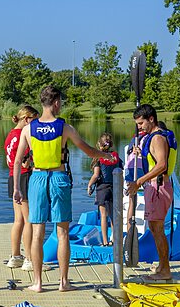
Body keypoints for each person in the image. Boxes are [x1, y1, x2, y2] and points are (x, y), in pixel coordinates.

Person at [12, 85, 113, 292]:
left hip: (37, 178)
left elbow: (17, 161)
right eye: (61, 102)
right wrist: (106, 156)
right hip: (59, 177)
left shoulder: (28, 129)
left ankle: (37, 283)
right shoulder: (64, 127)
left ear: (42, 103)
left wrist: (16, 188)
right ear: (56, 102)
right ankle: (63, 282)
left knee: (38, 232)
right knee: (63, 233)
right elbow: (87, 150)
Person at [125, 103, 176, 282]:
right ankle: (162, 266)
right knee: (155, 228)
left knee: (157, 228)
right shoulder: (151, 138)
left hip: (159, 187)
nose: (139, 127)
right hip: (154, 187)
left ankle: (165, 270)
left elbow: (162, 165)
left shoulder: (157, 138)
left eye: (141, 123)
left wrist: (139, 181)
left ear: (151, 119)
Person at [3, 105, 38, 270]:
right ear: (27, 119)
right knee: (29, 220)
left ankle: (15, 256)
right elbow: (25, 161)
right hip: (24, 177)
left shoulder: (10, 135)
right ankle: (30, 260)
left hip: (12, 177)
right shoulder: (24, 135)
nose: (36, 124)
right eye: (34, 120)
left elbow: (8, 160)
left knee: (18, 220)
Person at [85, 133, 122, 245]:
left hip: (102, 188)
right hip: (114, 188)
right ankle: (114, 240)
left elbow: (96, 175)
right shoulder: (116, 157)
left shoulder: (98, 158)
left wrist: (89, 185)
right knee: (113, 216)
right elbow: (121, 171)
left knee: (103, 216)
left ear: (99, 145)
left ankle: (105, 241)